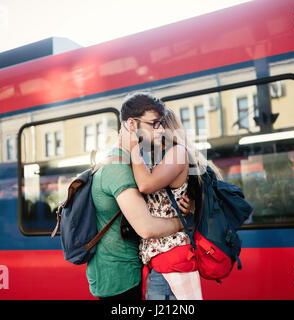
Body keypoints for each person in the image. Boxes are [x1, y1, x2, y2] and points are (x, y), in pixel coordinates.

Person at [86, 92, 191, 300]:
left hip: (125, 272)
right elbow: (147, 228)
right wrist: (183, 222)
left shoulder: (130, 163)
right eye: (154, 124)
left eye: (161, 123)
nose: (161, 129)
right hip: (120, 278)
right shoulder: (117, 168)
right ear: (132, 124)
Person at [128, 106, 222, 300]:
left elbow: (145, 185)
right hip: (166, 265)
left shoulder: (176, 154)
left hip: (169, 267)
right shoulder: (161, 160)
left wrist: (132, 147)